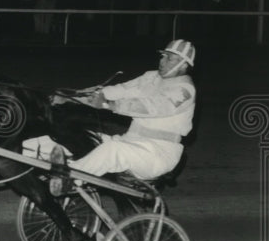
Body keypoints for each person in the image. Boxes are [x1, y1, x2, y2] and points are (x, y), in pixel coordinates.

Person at [49, 39, 197, 189]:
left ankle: (69, 179)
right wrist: (71, 97)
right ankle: (43, 166)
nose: (162, 61)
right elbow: (118, 90)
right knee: (76, 135)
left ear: (183, 65)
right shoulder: (150, 78)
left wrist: (108, 104)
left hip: (157, 154)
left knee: (113, 149)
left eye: (169, 58)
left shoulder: (185, 90)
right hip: (129, 141)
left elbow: (150, 107)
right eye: (163, 56)